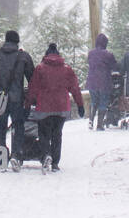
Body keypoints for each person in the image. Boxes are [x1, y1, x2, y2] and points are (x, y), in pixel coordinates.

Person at [24, 42, 85, 173]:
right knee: (57, 134)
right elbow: (75, 88)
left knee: (43, 133)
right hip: (62, 107)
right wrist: (80, 105)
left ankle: (46, 155)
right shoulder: (66, 69)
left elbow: (32, 88)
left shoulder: (40, 68)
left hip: (44, 108)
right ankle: (55, 163)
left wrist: (28, 105)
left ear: (46, 55)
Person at [0, 30, 35, 172]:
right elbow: (32, 78)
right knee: (18, 127)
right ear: (17, 41)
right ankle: (16, 155)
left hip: (0, 99)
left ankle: (2, 159)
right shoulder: (23, 57)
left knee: (1, 128)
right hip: (17, 98)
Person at [86, 32, 119, 130]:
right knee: (103, 102)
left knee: (94, 101)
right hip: (104, 81)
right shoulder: (108, 54)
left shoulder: (90, 53)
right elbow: (114, 66)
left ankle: (91, 120)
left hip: (91, 81)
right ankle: (99, 125)